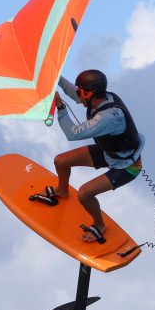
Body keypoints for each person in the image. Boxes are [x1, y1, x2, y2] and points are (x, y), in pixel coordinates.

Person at [29, 69, 146, 244]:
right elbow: (72, 91)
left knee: (84, 194)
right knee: (60, 161)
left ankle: (99, 224)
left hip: (127, 166)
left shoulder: (108, 117)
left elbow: (73, 134)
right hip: (108, 152)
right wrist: (52, 75)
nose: (77, 94)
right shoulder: (100, 97)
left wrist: (60, 107)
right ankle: (62, 191)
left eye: (80, 91)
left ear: (88, 93)